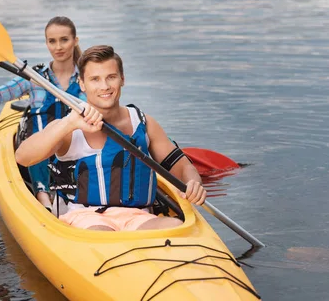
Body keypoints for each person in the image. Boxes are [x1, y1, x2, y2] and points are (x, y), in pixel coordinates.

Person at [15, 45, 206, 231]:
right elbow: (23, 157)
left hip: (137, 217)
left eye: (111, 77)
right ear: (82, 83)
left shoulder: (143, 123)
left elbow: (182, 166)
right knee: (101, 233)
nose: (104, 86)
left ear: (122, 79)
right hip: (84, 217)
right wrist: (68, 124)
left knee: (174, 227)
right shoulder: (70, 125)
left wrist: (193, 182)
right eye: (95, 79)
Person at [0, 16, 86, 211]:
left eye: (64, 39)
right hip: (42, 153)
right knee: (40, 140)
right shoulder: (34, 78)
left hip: (77, 150)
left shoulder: (88, 78)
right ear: (46, 43)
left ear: (75, 41)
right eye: (52, 41)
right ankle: (43, 199)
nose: (58, 47)